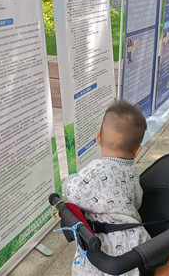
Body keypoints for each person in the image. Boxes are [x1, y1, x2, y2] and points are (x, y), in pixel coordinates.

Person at [62, 101, 151, 276]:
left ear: (98, 137)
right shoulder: (132, 172)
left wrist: (68, 180)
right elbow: (137, 201)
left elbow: (73, 192)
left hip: (103, 245)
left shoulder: (96, 169)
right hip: (133, 245)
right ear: (137, 150)